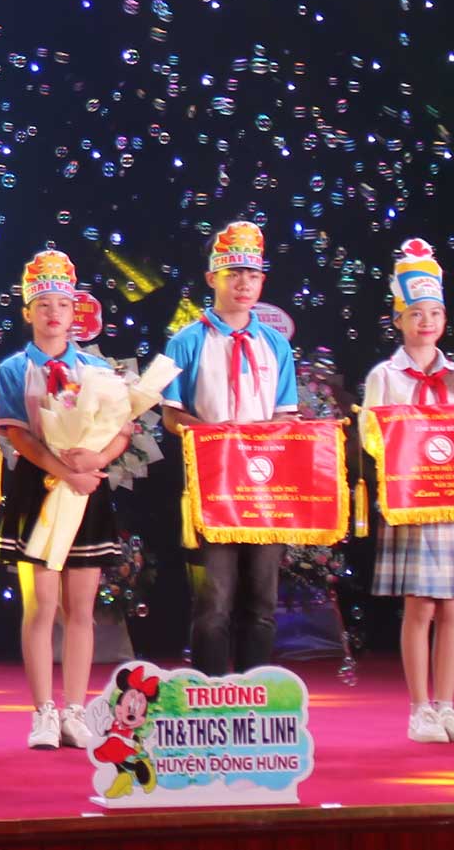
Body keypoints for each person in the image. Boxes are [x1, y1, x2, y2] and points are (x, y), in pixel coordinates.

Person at [0, 250, 132, 750]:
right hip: (39, 489)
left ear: (76, 312)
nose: (53, 313)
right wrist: (63, 469)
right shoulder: (14, 368)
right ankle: (43, 713)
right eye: (43, 304)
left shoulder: (98, 369)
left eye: (62, 304)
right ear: (27, 311)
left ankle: (75, 710)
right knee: (41, 606)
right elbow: (18, 435)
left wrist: (96, 460)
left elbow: (122, 430)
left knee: (81, 609)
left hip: (86, 489)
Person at [365, 239, 454, 745]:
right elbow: (371, 437)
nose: (426, 321)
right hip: (415, 503)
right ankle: (419, 709)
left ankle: (448, 706)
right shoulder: (385, 376)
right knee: (420, 605)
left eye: (435, 313)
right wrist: (411, 447)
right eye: (416, 313)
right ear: (398, 319)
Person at [161, 220, 298, 675]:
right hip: (213, 486)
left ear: (262, 282)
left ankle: (255, 692)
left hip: (264, 487)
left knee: (262, 599)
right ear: (211, 278)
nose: (243, 283)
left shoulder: (275, 344)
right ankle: (213, 694)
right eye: (233, 273)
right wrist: (215, 438)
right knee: (214, 600)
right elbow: (171, 415)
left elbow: (285, 416)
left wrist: (262, 443)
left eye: (252, 275)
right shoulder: (186, 341)